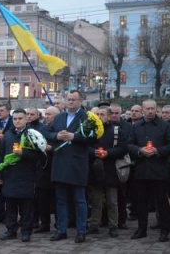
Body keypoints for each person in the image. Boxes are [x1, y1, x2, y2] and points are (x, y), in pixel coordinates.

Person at [47, 90, 97, 243]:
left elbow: (93, 137)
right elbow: (47, 133)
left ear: (81, 101)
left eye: (74, 100)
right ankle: (61, 230)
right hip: (60, 162)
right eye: (68, 99)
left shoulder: (87, 117)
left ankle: (81, 231)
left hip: (77, 163)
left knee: (79, 199)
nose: (70, 102)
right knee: (60, 200)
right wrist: (57, 136)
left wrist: (74, 137)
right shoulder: (60, 117)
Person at [127, 99, 170, 242]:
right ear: (142, 110)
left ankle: (164, 230)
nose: (150, 111)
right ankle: (141, 229)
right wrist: (139, 150)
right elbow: (129, 145)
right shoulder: (136, 126)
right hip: (141, 169)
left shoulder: (164, 126)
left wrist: (158, 151)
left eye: (152, 109)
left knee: (161, 201)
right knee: (141, 201)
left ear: (156, 110)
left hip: (159, 169)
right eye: (147, 109)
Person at [0, 108, 46, 242]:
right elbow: (0, 156)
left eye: (20, 118)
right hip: (10, 176)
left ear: (26, 119)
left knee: (27, 208)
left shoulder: (32, 135)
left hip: (27, 176)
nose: (17, 121)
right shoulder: (7, 135)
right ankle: (11, 230)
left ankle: (26, 232)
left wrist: (23, 153)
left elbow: (40, 155)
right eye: (15, 119)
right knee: (11, 207)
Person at [86, 106, 127, 238]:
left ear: (109, 117)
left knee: (112, 201)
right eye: (97, 114)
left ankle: (113, 226)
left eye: (102, 114)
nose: (99, 117)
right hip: (95, 170)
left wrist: (108, 153)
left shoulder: (116, 131)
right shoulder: (91, 131)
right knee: (96, 200)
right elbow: (85, 148)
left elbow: (123, 149)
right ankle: (94, 224)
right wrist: (94, 152)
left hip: (111, 170)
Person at [34, 106, 60, 233]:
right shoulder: (42, 129)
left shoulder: (61, 130)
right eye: (46, 114)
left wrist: (52, 149)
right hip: (43, 168)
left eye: (50, 114)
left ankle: (59, 224)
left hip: (57, 168)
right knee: (42, 199)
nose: (47, 116)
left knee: (57, 200)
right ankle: (44, 224)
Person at [109, 103, 132, 229]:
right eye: (112, 113)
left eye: (116, 113)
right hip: (108, 163)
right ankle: (106, 219)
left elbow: (128, 143)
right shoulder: (106, 126)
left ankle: (122, 219)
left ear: (120, 113)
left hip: (121, 163)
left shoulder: (127, 126)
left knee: (122, 194)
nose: (114, 115)